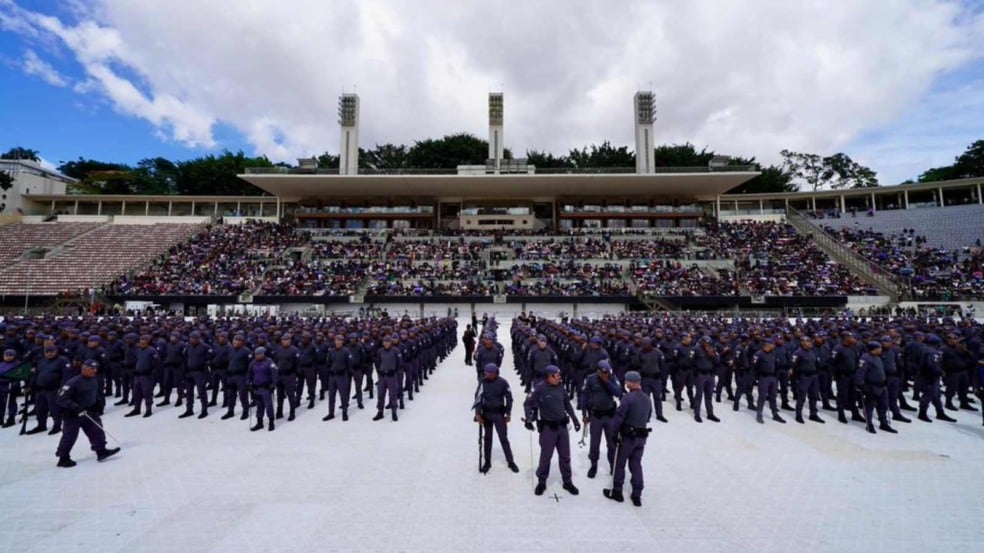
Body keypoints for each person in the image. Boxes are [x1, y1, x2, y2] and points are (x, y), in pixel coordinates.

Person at [523, 365, 581, 496]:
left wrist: (575, 420)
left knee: (565, 457)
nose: (559, 377)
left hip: (562, 428)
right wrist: (528, 419)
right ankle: (542, 481)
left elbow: (567, 404)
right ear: (548, 376)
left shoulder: (561, 387)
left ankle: (567, 481)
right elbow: (527, 404)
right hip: (548, 429)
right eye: (556, 375)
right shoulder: (539, 388)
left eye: (559, 375)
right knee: (546, 457)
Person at [54, 359, 120, 467]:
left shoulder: (94, 380)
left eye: (95, 369)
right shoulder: (73, 382)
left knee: (97, 430)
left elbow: (94, 393)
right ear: (84, 369)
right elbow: (61, 399)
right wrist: (75, 406)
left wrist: (97, 403)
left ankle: (101, 451)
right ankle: (63, 457)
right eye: (92, 369)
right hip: (73, 414)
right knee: (69, 436)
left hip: (89, 411)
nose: (94, 371)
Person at [604, 371, 651, 506]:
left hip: (628, 437)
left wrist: (613, 435)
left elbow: (619, 419)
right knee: (636, 464)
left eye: (627, 381)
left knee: (620, 463)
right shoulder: (647, 399)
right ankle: (637, 494)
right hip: (642, 437)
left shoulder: (627, 398)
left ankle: (617, 491)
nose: (625, 384)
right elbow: (648, 417)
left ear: (631, 383)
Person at [579, 359, 622, 478]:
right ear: (598, 371)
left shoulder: (612, 378)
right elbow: (584, 396)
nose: (606, 374)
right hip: (596, 416)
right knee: (594, 443)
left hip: (610, 416)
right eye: (604, 372)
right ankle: (594, 465)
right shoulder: (590, 379)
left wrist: (607, 382)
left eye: (607, 372)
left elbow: (618, 392)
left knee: (612, 443)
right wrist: (584, 413)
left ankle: (612, 464)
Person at [473, 363, 519, 474]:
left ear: (495, 373)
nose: (486, 374)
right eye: (485, 373)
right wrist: (478, 414)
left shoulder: (503, 383)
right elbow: (478, 398)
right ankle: (487, 462)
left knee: (503, 438)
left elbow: (509, 398)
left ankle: (510, 461)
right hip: (487, 415)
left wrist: (508, 413)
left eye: (488, 373)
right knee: (487, 439)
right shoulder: (482, 383)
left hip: (499, 415)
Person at [26, 345, 71, 434]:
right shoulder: (41, 361)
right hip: (40, 389)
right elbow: (36, 374)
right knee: (40, 408)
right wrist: (30, 386)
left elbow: (66, 375)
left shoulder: (62, 360)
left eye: (51, 351)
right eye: (47, 352)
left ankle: (57, 425)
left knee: (54, 408)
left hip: (54, 388)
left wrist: (63, 388)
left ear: (56, 351)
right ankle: (41, 425)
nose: (49, 353)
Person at [248, 347, 277, 432]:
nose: (256, 356)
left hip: (266, 388)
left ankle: (271, 421)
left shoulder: (269, 362)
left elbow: (274, 374)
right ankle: (259, 422)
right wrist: (249, 383)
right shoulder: (253, 363)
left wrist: (273, 385)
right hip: (256, 388)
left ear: (263, 354)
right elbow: (250, 374)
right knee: (259, 406)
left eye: (258, 354)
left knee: (268, 406)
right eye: (256, 354)